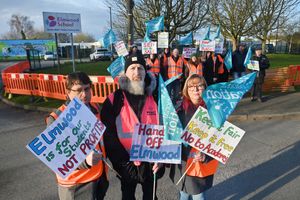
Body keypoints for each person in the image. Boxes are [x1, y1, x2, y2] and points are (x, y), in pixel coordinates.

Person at [101, 54, 163, 200]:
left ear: (145, 71)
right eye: (132, 68)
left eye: (140, 68)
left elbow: (169, 126)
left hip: (152, 162)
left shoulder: (157, 96)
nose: (136, 73)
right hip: (125, 163)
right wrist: (122, 162)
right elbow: (108, 134)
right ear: (125, 73)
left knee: (151, 197)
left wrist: (163, 158)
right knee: (127, 196)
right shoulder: (114, 99)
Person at [46, 72, 109, 200]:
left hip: (99, 176)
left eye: (87, 89)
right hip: (75, 184)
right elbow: (58, 159)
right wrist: (85, 162)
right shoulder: (57, 118)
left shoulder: (95, 108)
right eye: (78, 90)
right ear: (68, 92)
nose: (84, 94)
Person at [170, 74, 219, 200]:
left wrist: (206, 155)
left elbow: (219, 141)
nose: (196, 89)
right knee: (184, 195)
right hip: (183, 163)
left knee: (199, 196)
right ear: (186, 89)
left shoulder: (214, 111)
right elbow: (170, 135)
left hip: (200, 164)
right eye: (191, 86)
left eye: (199, 86)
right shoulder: (178, 110)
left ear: (205, 87)